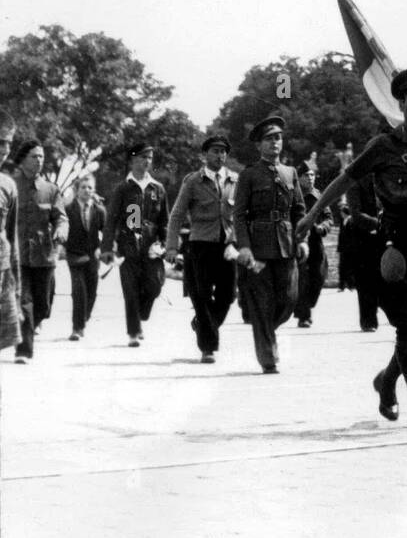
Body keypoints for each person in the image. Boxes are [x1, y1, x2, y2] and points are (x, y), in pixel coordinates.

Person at [297, 66, 407, 430]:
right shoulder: (383, 146)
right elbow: (344, 179)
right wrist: (312, 215)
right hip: (394, 243)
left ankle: (387, 382)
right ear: (400, 104)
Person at [231, 114, 306, 374]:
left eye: (278, 138)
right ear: (259, 145)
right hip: (259, 246)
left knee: (288, 300)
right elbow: (239, 215)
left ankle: (263, 330)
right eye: (269, 139)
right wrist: (244, 246)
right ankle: (268, 356)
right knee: (262, 303)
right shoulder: (249, 175)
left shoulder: (290, 172)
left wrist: (302, 239)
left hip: (286, 244)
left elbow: (299, 210)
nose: (275, 143)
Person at [167, 132, 238, 363]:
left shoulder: (235, 180)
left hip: (227, 246)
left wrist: (239, 242)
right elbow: (177, 214)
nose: (220, 155)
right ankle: (208, 347)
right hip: (200, 245)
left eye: (223, 151)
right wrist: (171, 247)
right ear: (204, 155)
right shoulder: (193, 181)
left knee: (227, 295)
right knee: (202, 295)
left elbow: (242, 214)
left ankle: (202, 324)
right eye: (215, 151)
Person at [102, 141, 169, 349]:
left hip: (151, 247)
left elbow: (164, 221)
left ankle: (141, 314)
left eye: (149, 158)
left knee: (154, 285)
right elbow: (111, 220)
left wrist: (165, 243)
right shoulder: (123, 188)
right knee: (130, 290)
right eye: (142, 157)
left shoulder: (157, 188)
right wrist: (106, 248)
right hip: (128, 245)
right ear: (133, 160)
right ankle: (133, 331)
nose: (147, 161)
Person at [13, 139, 69, 363]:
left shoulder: (50, 190)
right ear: (23, 159)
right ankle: (24, 349)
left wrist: (61, 230)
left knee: (43, 305)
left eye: (41, 157)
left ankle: (31, 328)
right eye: (34, 156)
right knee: (24, 301)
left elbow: (61, 218)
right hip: (17, 255)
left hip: (44, 256)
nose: (39, 161)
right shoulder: (10, 186)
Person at [65, 173, 105, 341]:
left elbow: (106, 232)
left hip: (93, 255)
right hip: (74, 255)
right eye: (83, 187)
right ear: (77, 189)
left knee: (91, 292)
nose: (86, 190)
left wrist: (105, 249)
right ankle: (77, 327)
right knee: (78, 290)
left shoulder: (100, 210)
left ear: (93, 190)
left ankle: (84, 317)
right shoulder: (68, 209)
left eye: (90, 187)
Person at [339, 175, 381, 332]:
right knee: (366, 281)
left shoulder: (384, 180)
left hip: (383, 236)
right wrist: (379, 223)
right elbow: (356, 214)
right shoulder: (356, 184)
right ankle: (368, 320)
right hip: (362, 239)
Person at [294, 162, 330, 329]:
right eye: (306, 175)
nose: (310, 178)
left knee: (319, 277)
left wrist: (323, 227)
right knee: (303, 279)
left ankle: (305, 306)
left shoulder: (319, 195)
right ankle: (304, 316)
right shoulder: (293, 195)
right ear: (299, 178)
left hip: (316, 241)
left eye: (312, 175)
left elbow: (329, 218)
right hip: (299, 242)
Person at [0, 115, 21, 355]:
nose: (5, 149)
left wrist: (17, 287)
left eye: (8, 142)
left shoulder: (7, 185)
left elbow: (12, 237)